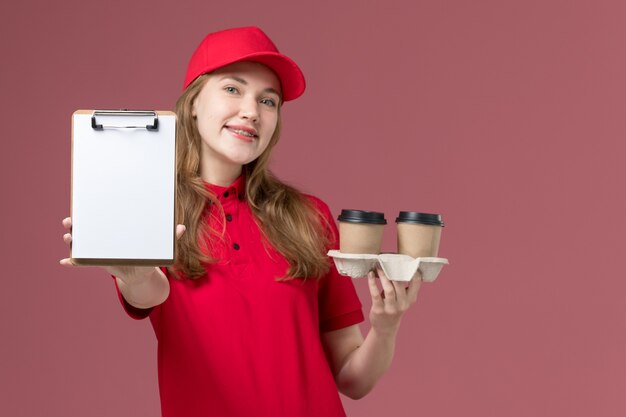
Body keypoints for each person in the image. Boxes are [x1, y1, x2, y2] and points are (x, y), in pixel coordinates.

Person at [60, 26, 422, 417]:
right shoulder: (150, 208)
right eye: (233, 89)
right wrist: (132, 276)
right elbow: (148, 292)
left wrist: (387, 326)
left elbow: (353, 380)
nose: (252, 110)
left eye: (269, 101)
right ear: (194, 101)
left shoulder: (308, 217)